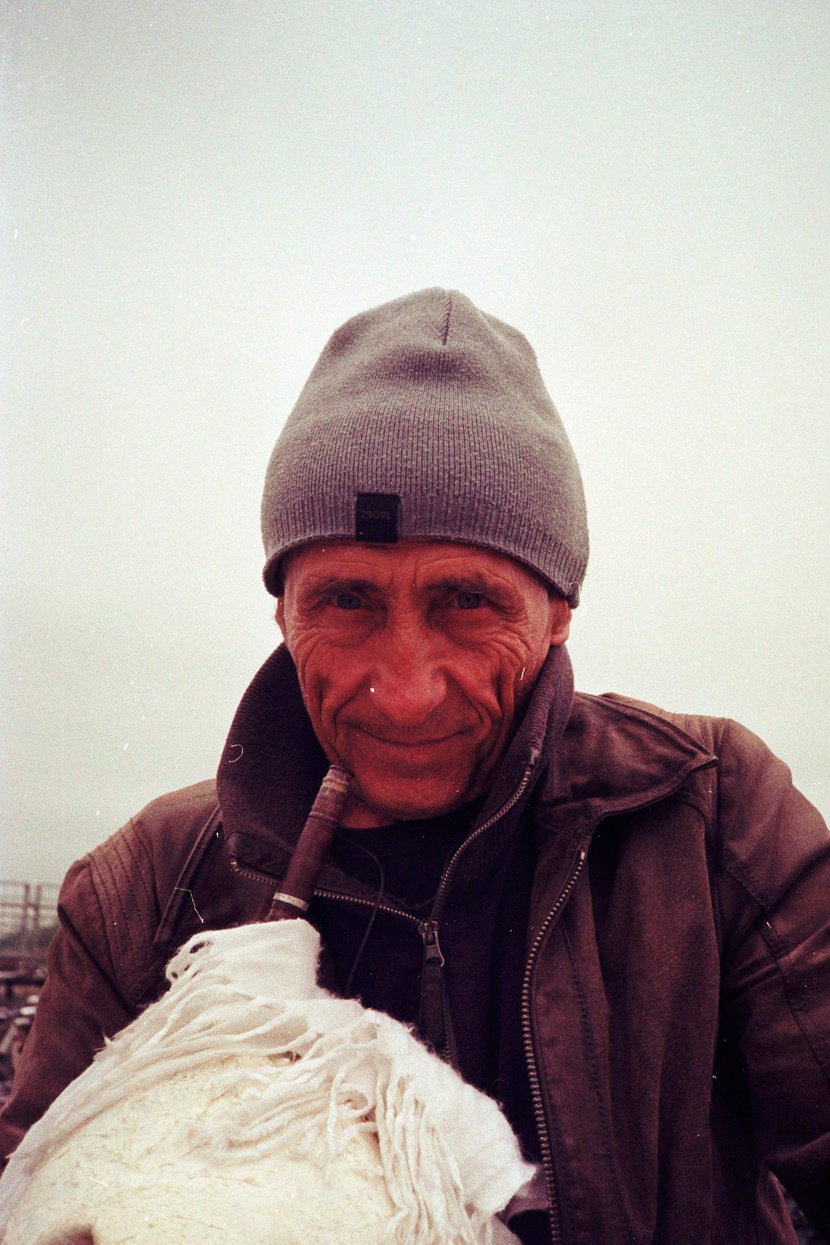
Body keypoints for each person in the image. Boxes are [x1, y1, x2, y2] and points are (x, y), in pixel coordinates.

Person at [1, 289, 828, 1243]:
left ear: (559, 610)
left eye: (466, 600)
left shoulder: (708, 817)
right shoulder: (145, 889)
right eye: (346, 599)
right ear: (282, 613)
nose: (404, 691)